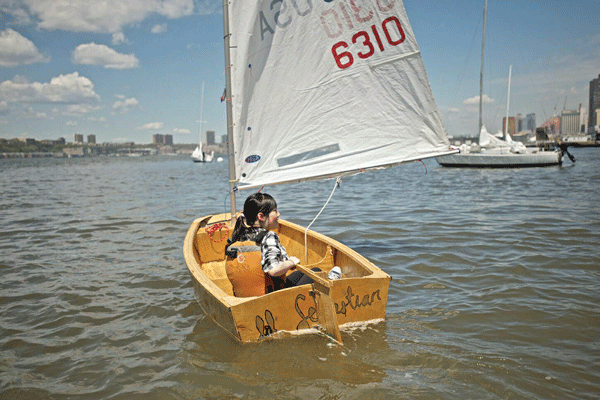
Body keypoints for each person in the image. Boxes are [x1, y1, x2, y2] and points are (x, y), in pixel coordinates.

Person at [225, 192, 316, 292]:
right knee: (316, 272)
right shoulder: (269, 236)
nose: (278, 214)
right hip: (272, 298)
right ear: (261, 216)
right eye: (275, 211)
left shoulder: (240, 235)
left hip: (247, 298)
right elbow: (274, 270)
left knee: (302, 274)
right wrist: (291, 262)